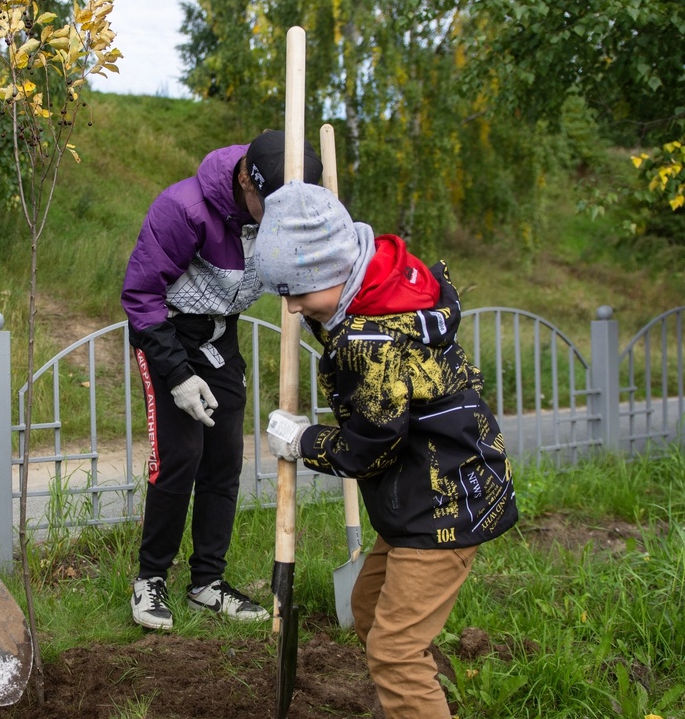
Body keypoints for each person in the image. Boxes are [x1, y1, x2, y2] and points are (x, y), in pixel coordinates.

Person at [257, 180, 519, 718]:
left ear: (335, 273)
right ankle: (409, 703)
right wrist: (318, 313)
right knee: (369, 607)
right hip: (425, 495)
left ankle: (410, 694)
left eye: (297, 292)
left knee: (394, 651)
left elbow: (366, 450)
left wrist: (302, 440)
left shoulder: (375, 345)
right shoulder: (389, 290)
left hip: (443, 511)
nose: (290, 308)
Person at [121, 130, 323, 630]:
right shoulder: (184, 209)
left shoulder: (285, 212)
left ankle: (207, 583)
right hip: (167, 333)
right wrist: (178, 376)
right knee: (180, 455)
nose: (279, 222)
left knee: (224, 459)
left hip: (221, 340)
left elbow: (310, 283)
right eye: (269, 208)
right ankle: (150, 580)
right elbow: (141, 295)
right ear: (243, 182)